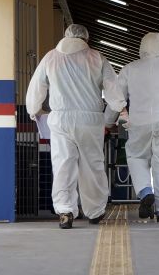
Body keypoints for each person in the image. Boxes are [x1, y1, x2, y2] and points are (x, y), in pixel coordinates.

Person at [26, 24, 123, 229]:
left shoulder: (50, 57)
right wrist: (120, 108)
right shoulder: (97, 57)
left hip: (60, 118)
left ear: (65, 36)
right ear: (86, 39)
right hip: (90, 119)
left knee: (63, 164)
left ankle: (65, 211)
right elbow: (112, 87)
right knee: (92, 164)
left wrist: (33, 108)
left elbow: (37, 85)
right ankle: (95, 211)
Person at [112, 32, 159, 222]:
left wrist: (113, 118)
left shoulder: (129, 68)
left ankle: (145, 191)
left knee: (136, 156)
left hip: (138, 121)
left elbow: (117, 98)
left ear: (142, 47)